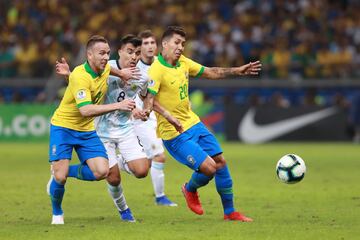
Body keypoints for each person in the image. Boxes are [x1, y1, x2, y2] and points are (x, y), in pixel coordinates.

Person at [142, 26, 261, 221]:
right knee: (209, 168)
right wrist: (149, 111)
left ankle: (230, 212)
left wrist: (237, 71)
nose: (180, 47)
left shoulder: (183, 63)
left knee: (220, 162)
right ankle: (189, 189)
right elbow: (149, 98)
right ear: (164, 44)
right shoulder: (157, 70)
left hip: (193, 123)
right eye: (176, 43)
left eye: (182, 44)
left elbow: (211, 72)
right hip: (174, 133)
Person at [48, 35, 137, 225]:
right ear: (89, 55)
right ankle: (57, 212)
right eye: (101, 53)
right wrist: (118, 105)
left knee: (101, 172)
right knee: (60, 178)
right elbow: (86, 110)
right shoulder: (81, 76)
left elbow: (108, 70)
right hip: (63, 127)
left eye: (107, 53)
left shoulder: (103, 68)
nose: (106, 57)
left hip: (85, 131)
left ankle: (60, 171)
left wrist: (121, 74)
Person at [133, 30, 177, 207]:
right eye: (145, 43)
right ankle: (160, 198)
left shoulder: (161, 64)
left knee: (147, 161)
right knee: (159, 156)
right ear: (140, 48)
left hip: (158, 117)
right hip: (142, 118)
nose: (150, 46)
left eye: (152, 42)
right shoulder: (135, 69)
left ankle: (117, 162)